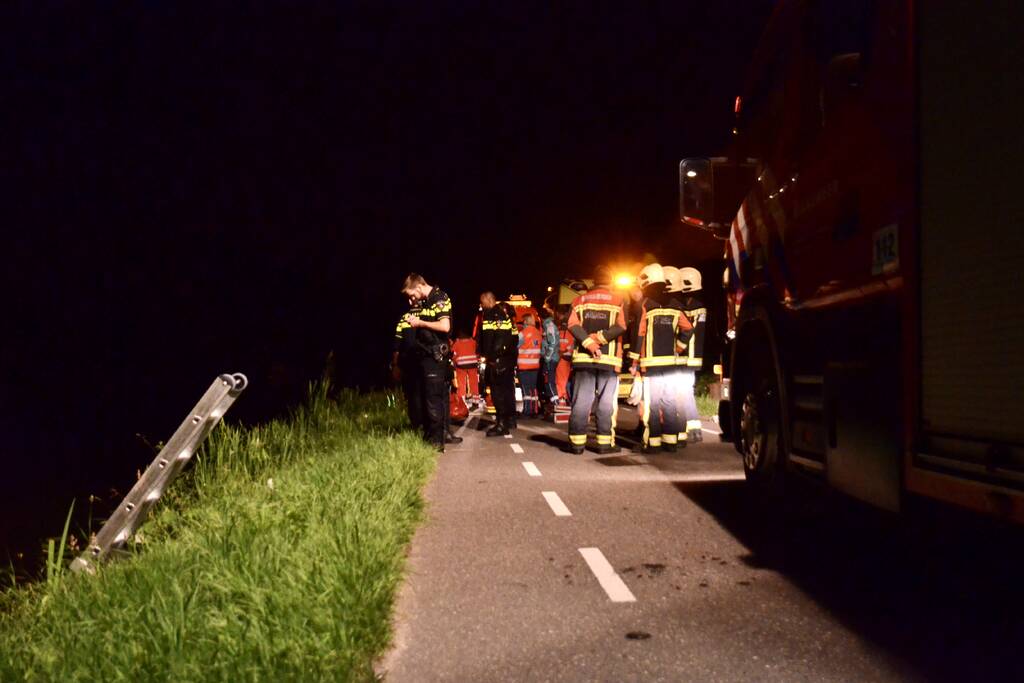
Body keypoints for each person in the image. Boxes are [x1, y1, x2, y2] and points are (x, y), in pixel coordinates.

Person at [566, 266, 627, 455]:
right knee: (606, 403)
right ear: (610, 281)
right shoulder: (619, 300)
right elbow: (621, 326)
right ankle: (604, 444)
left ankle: (577, 444)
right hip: (609, 360)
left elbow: (572, 325)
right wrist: (600, 339)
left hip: (584, 359)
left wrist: (589, 343)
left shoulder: (579, 300)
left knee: (581, 402)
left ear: (593, 281)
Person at [632, 263, 693, 454]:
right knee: (669, 403)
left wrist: (634, 362)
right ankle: (671, 442)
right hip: (670, 365)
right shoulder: (675, 305)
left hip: (651, 365)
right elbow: (688, 329)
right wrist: (678, 347)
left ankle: (653, 443)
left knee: (653, 404)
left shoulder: (645, 305)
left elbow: (639, 334)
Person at [401, 273, 462, 451]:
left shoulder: (438, 298)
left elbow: (445, 326)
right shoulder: (426, 301)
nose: (412, 298)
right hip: (428, 356)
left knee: (433, 400)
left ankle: (436, 443)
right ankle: (434, 438)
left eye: (412, 294)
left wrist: (420, 323)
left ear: (419, 286)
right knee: (431, 399)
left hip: (435, 357)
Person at [477, 291, 518, 436]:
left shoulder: (494, 315)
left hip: (498, 361)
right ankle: (509, 420)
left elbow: (498, 339)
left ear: (489, 300)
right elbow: (512, 338)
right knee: (506, 390)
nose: (481, 305)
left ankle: (501, 424)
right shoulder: (503, 315)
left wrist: (493, 358)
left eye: (482, 302)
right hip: (505, 360)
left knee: (498, 392)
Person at [674, 266, 707, 443]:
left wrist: (678, 348)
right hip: (695, 358)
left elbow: (685, 330)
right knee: (686, 392)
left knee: (683, 393)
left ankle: (690, 430)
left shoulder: (683, 308)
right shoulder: (701, 307)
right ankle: (693, 429)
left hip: (683, 357)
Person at [391, 299, 424, 433]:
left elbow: (397, 344)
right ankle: (426, 425)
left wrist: (395, 365)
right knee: (425, 393)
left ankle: (416, 425)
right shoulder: (428, 315)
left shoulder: (403, 318)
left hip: (408, 362)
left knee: (412, 395)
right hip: (425, 360)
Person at [517, 313, 542, 417]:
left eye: (523, 321)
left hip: (524, 366)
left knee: (525, 389)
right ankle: (535, 410)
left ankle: (527, 411)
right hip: (535, 365)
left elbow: (515, 345)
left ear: (525, 321)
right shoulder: (538, 333)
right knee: (533, 388)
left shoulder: (522, 333)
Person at [539, 296, 561, 407]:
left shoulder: (549, 325)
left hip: (551, 359)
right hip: (552, 358)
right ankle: (553, 403)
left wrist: (547, 357)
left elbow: (553, 342)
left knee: (549, 381)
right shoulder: (549, 325)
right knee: (548, 381)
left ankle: (555, 403)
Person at [451, 329, 480, 410]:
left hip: (461, 365)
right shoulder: (473, 342)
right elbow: (477, 351)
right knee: (474, 384)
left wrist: (454, 362)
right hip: (472, 364)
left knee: (461, 384)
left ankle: (462, 403)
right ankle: (475, 403)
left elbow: (453, 353)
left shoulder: (457, 343)